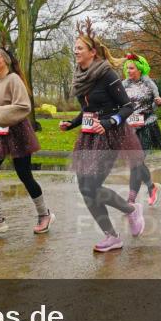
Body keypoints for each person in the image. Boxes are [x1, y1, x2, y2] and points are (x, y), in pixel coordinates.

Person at [60, 23, 145, 253]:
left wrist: (109, 123)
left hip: (111, 136)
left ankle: (130, 210)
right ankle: (112, 235)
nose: (76, 51)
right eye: (74, 48)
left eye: (80, 48)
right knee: (85, 187)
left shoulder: (107, 74)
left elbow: (127, 106)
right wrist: (72, 123)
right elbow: (88, 110)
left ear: (92, 52)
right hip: (88, 137)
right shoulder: (80, 76)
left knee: (93, 185)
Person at [0, 47, 54, 236]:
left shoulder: (14, 79)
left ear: (5, 60)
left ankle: (44, 214)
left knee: (25, 175)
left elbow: (23, 106)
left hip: (17, 132)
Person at [122, 53, 161, 206]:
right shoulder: (123, 86)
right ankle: (151, 187)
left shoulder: (150, 84)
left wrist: (160, 101)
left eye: (132, 68)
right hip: (130, 128)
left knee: (137, 161)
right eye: (127, 68)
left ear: (140, 69)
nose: (129, 71)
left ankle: (131, 200)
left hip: (147, 126)